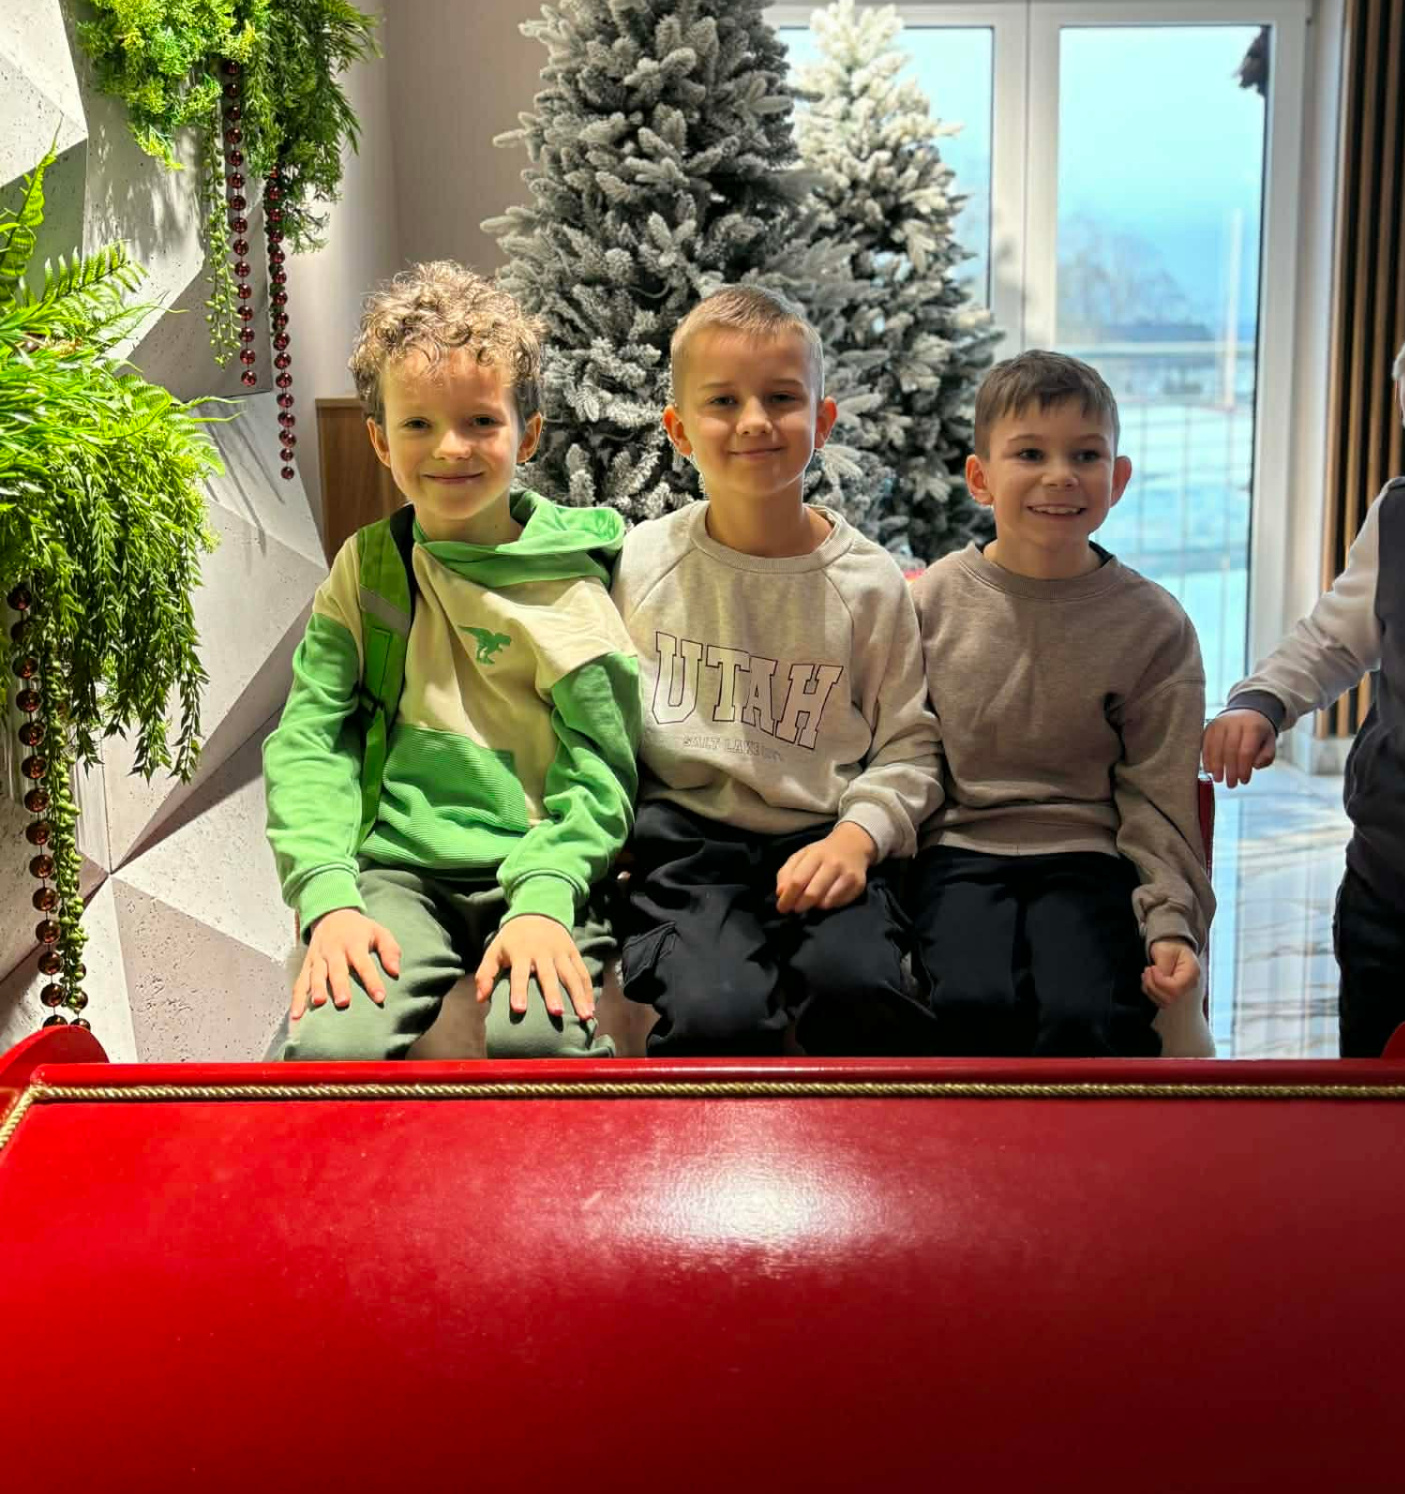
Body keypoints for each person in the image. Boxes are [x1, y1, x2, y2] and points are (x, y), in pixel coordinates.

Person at [262, 262, 640, 1060]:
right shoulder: (368, 570)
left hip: (540, 865)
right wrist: (328, 893)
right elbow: (310, 740)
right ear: (379, 439)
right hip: (399, 873)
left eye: (480, 421)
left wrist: (546, 896)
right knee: (333, 1049)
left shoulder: (573, 589)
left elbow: (603, 772)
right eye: (418, 424)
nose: (450, 448)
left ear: (526, 435)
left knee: (539, 1040)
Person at [611, 284, 942, 1056]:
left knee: (860, 993)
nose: (755, 421)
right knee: (716, 1015)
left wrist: (857, 839)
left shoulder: (868, 583)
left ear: (822, 422)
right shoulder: (641, 564)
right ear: (678, 430)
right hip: (686, 852)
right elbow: (601, 721)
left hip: (826, 837)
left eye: (782, 398)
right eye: (723, 401)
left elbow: (910, 746)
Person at [910, 350, 1214, 1058]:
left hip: (1089, 854)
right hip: (958, 851)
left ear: (1119, 478)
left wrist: (1171, 920)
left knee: (1086, 1017)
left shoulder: (1154, 625)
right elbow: (899, 753)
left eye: (1085, 454)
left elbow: (1161, 795)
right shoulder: (928, 604)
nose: (1060, 475)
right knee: (967, 1005)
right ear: (980, 478)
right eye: (1030, 454)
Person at [1204, 299, 1405, 1057]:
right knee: (1374, 1086)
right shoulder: (1404, 516)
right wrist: (1262, 700)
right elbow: (1334, 638)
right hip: (1391, 887)